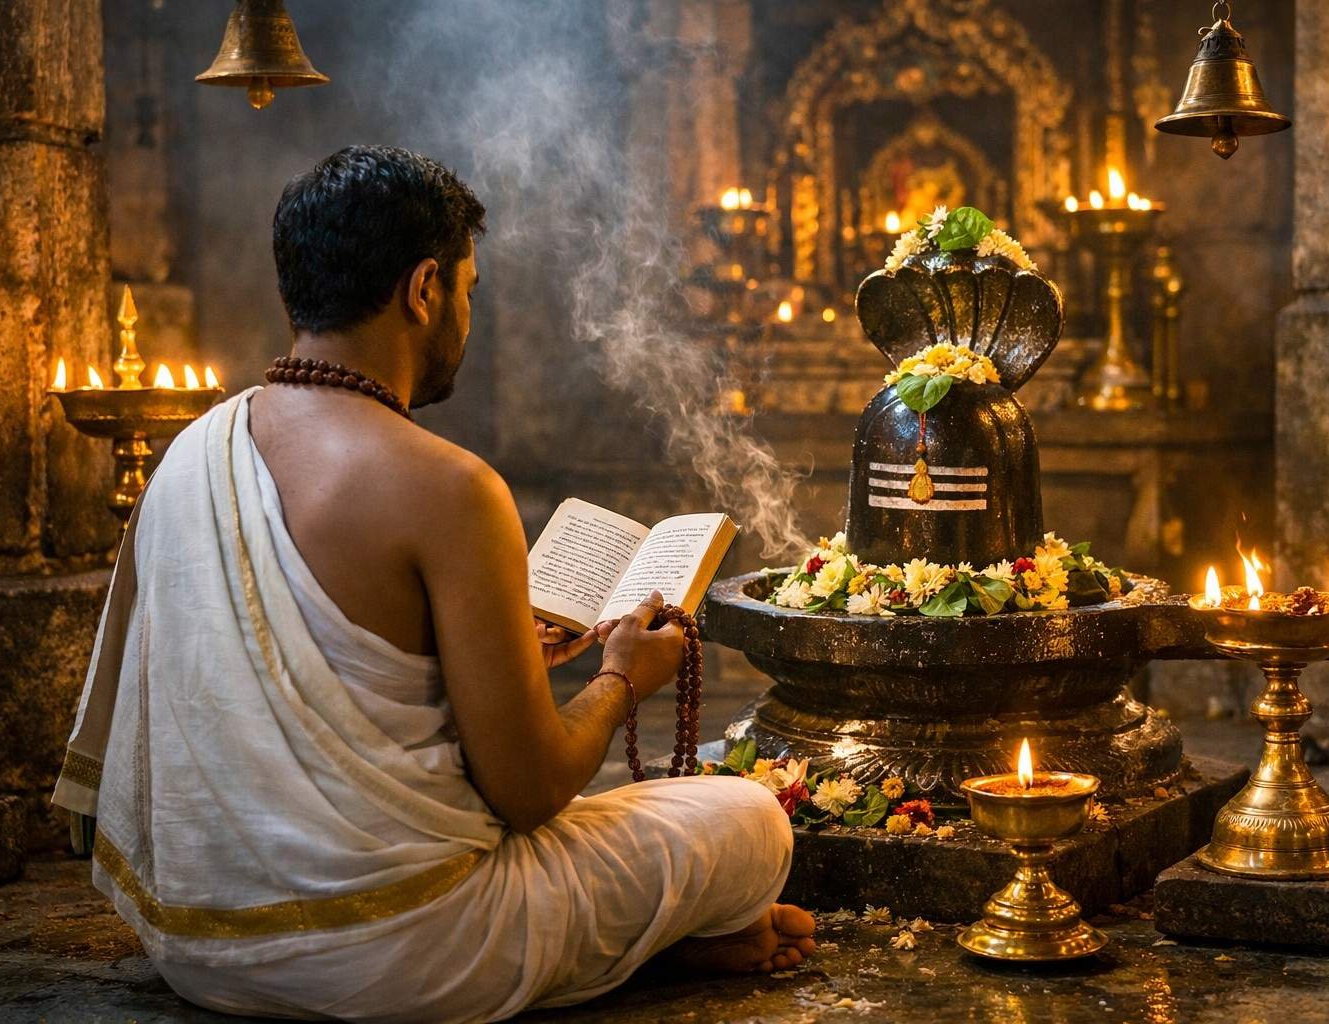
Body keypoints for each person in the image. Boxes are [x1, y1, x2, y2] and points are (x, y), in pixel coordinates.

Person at [52, 144, 814, 1023]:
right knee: (748, 820)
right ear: (423, 289)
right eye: (469, 289)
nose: (466, 314)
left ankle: (652, 941)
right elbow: (528, 796)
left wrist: (496, 652)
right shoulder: (449, 486)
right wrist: (618, 678)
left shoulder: (191, 456)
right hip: (410, 949)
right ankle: (654, 947)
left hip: (196, 944)